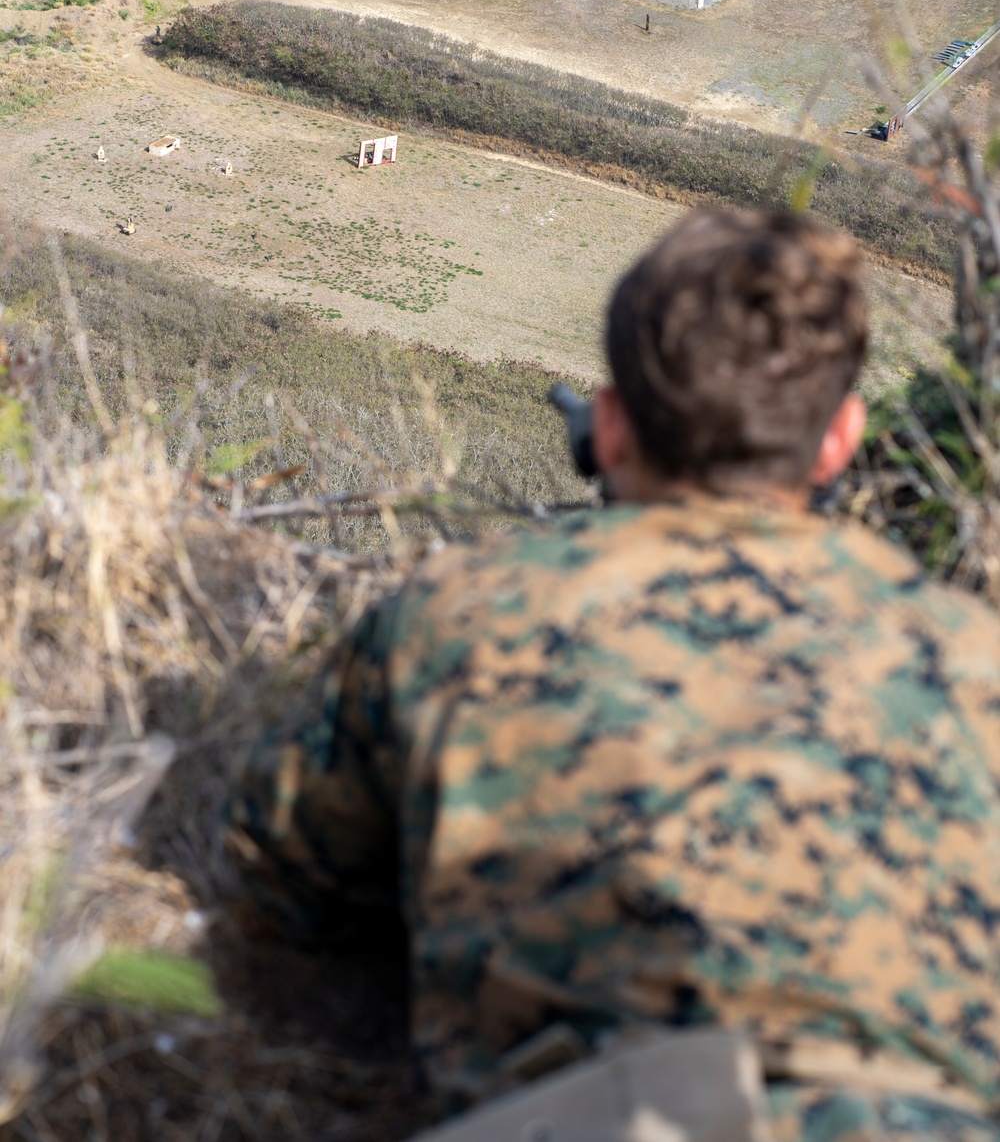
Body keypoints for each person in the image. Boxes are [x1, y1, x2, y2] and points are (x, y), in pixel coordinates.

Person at [230, 210, 1000, 1140]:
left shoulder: (463, 609)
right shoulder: (971, 655)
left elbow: (283, 875)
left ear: (611, 422)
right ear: (841, 438)